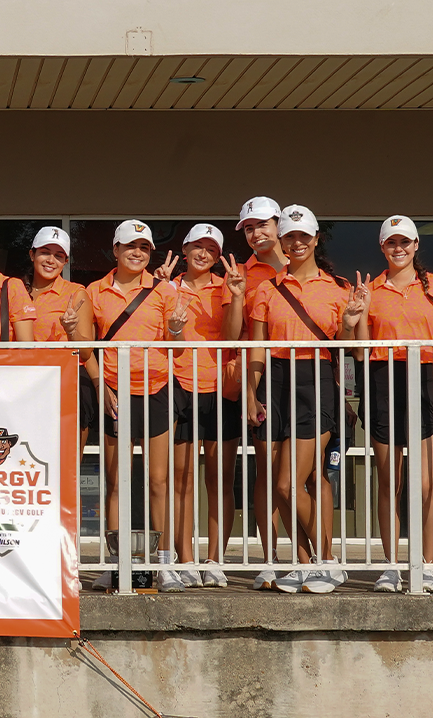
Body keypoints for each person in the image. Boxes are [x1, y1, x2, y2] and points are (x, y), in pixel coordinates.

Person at [244, 206, 365, 596]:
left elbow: (350, 350)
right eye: (290, 237)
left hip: (315, 379)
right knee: (279, 484)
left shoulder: (338, 288)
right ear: (282, 241)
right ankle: (302, 562)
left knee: (289, 483)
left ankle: (326, 560)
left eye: (303, 236)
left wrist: (348, 324)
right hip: (274, 380)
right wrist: (251, 392)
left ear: (316, 240)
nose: (296, 243)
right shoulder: (266, 288)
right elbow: (257, 349)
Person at [355, 215, 433, 595]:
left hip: (426, 378)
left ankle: (427, 565)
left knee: (426, 483)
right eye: (391, 243)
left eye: (404, 242)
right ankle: (392, 565)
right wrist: (360, 311)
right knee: (390, 481)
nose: (398, 249)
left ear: (416, 245)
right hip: (383, 378)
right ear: (382, 247)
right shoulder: (371, 288)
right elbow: (361, 352)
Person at [85, 219, 184, 593]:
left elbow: (178, 345)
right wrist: (101, 385)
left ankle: (165, 565)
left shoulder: (164, 290)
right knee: (116, 482)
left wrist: (176, 330)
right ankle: (116, 565)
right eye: (130, 246)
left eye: (144, 247)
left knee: (158, 481)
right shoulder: (95, 291)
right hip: (116, 392)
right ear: (115, 250)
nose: (137, 253)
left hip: (157, 389)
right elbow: (85, 347)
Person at [165, 223, 246, 590]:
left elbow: (231, 336)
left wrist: (236, 296)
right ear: (184, 250)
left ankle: (215, 560)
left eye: (211, 249)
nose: (204, 253)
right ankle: (185, 560)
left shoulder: (226, 285)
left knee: (220, 478)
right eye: (197, 246)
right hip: (178, 385)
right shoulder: (167, 287)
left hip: (219, 388)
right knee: (181, 479)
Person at [234, 195, 287, 587]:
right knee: (267, 472)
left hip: (309, 377)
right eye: (249, 228)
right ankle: (270, 560)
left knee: (305, 475)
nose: (255, 233)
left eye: (262, 224)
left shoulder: (307, 266)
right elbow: (235, 333)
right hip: (262, 375)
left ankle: (312, 558)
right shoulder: (240, 273)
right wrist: (250, 392)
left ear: (279, 224)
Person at [22, 227, 96, 444]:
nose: (51, 260)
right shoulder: (15, 290)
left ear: (66, 261)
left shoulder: (76, 293)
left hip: (66, 383)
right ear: (32, 254)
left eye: (59, 256)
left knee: (67, 458)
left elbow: (86, 352)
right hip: (24, 383)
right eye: (45, 252)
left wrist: (71, 331)